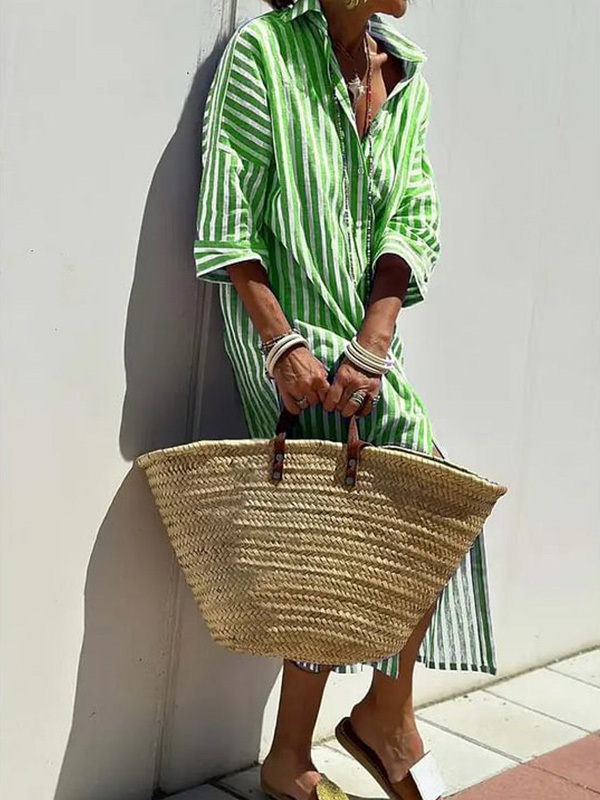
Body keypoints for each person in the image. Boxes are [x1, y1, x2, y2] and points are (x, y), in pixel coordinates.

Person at [193, 0, 496, 797]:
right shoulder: (265, 52)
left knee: (412, 506)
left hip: (362, 341)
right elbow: (227, 217)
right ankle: (350, 735)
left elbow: (413, 217)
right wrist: (280, 343)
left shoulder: (406, 76)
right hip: (286, 337)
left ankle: (344, 731)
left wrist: (376, 335)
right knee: (334, 525)